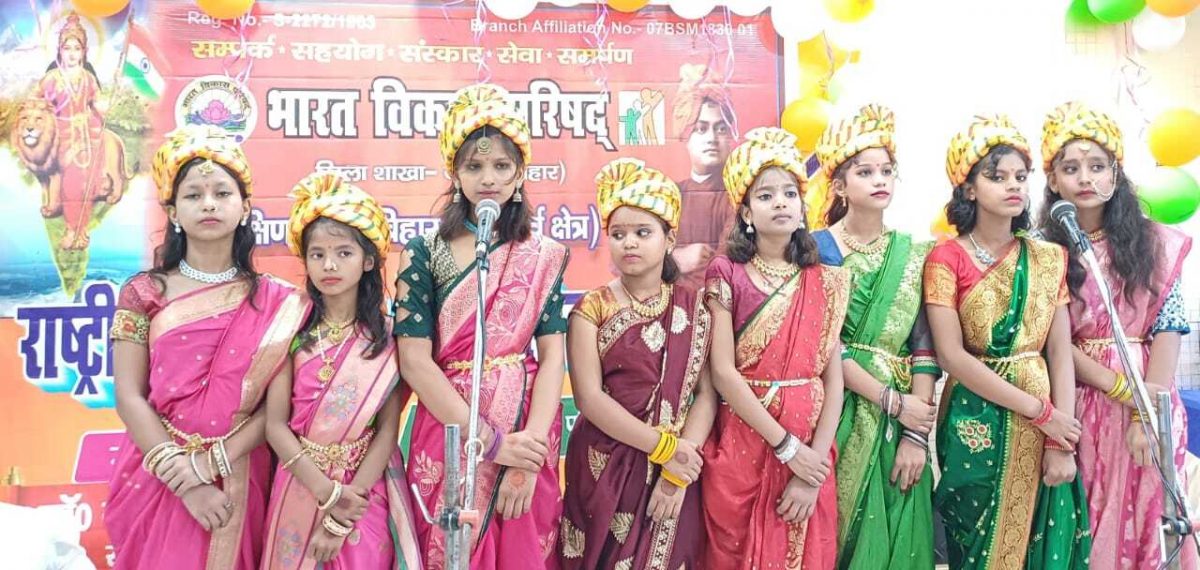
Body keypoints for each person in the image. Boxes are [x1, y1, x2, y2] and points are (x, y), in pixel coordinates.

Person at [106, 125, 311, 569]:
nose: (209, 204)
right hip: (160, 472)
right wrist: (187, 482)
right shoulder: (144, 293)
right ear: (173, 212)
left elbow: (277, 409)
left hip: (242, 469)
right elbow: (128, 395)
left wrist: (214, 463)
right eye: (193, 195)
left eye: (222, 193)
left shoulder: (280, 302)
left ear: (245, 207)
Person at [393, 84, 569, 569]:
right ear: (455, 174)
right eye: (474, 166)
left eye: (501, 166)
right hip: (449, 428)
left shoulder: (543, 256)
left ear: (520, 174)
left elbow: (553, 356)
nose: (488, 178)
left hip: (526, 424)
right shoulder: (424, 253)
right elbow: (414, 361)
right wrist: (490, 443)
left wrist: (527, 453)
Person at [925, 114, 1091, 569]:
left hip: (1046, 426)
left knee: (1042, 541)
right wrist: (1040, 412)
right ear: (969, 189)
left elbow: (1059, 353)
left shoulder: (1047, 258)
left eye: (1020, 176)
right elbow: (951, 356)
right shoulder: (945, 258)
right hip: (974, 420)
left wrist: (1062, 440)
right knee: (974, 545)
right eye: (997, 177)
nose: (1013, 186)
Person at [1038, 101, 1196, 570]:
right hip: (1079, 399)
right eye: (1071, 168)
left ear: (1115, 173)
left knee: (1151, 520)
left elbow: (1168, 326)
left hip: (1150, 400)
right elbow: (1051, 341)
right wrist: (1118, 389)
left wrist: (1144, 413)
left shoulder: (1153, 243)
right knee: (1090, 522)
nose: (1085, 177)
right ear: (1053, 180)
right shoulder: (1044, 251)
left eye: (1097, 166)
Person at [701, 127, 848, 569]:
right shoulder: (726, 272)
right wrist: (787, 448)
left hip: (812, 444)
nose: (780, 202)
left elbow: (833, 380)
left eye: (789, 193)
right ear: (746, 211)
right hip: (745, 443)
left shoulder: (825, 279)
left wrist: (813, 467)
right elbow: (723, 372)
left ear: (803, 207)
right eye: (765, 196)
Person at [559, 158, 715, 569]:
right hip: (605, 466)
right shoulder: (591, 309)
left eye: (643, 233)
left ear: (670, 238)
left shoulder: (695, 307)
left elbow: (706, 396)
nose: (629, 243)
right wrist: (664, 448)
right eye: (618, 234)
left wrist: (678, 470)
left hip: (677, 468)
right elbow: (589, 399)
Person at [260, 172, 422, 569]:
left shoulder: (389, 338)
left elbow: (387, 432)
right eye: (317, 255)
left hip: (364, 491)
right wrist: (326, 492)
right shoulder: (291, 330)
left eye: (343, 253)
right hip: (300, 483)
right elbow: (275, 426)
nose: (329, 265)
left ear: (368, 261)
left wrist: (344, 511)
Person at [808, 104, 939, 570]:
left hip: (901, 422)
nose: (879, 179)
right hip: (835, 411)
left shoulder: (914, 253)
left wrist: (915, 434)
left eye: (886, 170)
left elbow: (924, 348)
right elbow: (824, 346)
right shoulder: (816, 250)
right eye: (865, 172)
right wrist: (891, 401)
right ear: (840, 186)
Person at [670, 63, 737, 284]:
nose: (712, 138)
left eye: (721, 129)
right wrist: (675, 259)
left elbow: (725, 269)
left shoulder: (739, 197)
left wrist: (662, 268)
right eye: (701, 129)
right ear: (685, 135)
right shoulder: (668, 195)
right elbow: (627, 261)